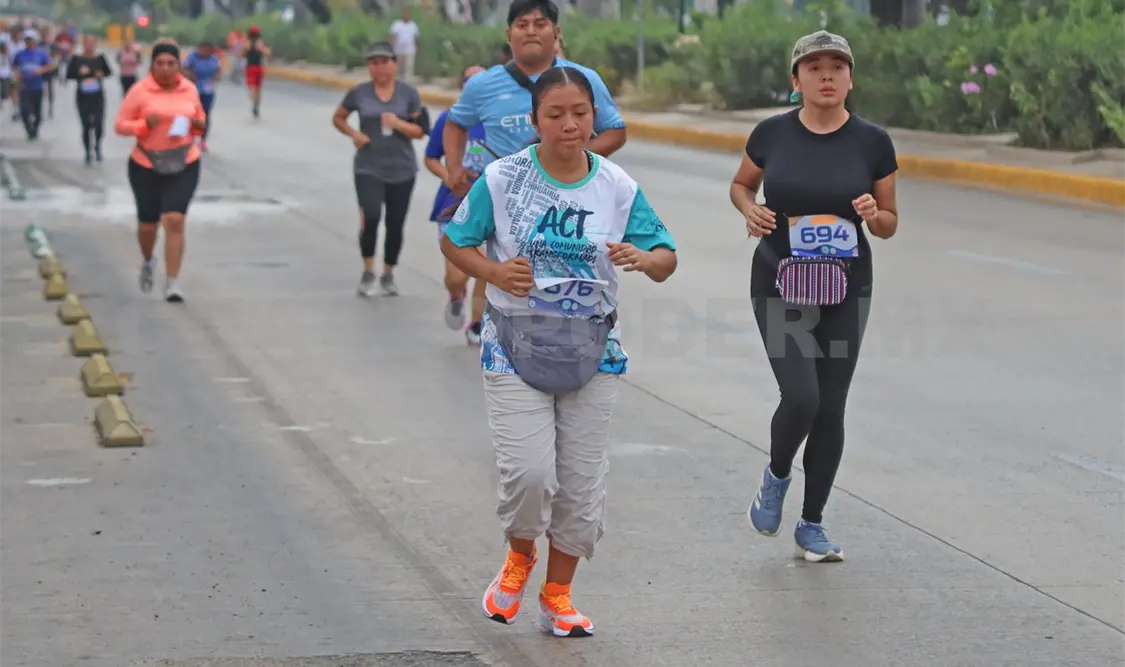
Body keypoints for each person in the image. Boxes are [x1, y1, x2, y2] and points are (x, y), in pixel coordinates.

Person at [441, 66, 677, 638]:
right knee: (529, 474)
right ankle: (520, 557)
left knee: (579, 483)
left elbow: (665, 255)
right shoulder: (503, 178)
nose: (570, 125)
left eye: (580, 113)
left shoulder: (616, 186)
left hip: (593, 349)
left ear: (594, 115)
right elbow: (455, 237)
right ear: (536, 120)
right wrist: (495, 271)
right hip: (514, 342)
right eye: (555, 115)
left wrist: (644, 260)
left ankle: (559, 594)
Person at [729, 30, 899, 563]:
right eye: (814, 67)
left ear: (850, 78)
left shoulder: (873, 142)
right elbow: (741, 185)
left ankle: (812, 524)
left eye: (837, 67)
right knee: (802, 397)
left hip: (846, 289)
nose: (827, 76)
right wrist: (748, 209)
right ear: (796, 79)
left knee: (831, 407)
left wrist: (876, 216)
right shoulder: (772, 134)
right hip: (780, 283)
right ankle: (777, 476)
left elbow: (891, 224)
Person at [444, 0, 626, 199]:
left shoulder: (584, 79)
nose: (531, 31)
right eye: (522, 25)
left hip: (570, 199)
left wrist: (572, 159)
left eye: (540, 24)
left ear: (556, 33)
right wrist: (454, 169)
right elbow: (455, 124)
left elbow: (615, 131)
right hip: (503, 198)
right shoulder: (482, 84)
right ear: (508, 35)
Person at [115, 41, 207, 304]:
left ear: (179, 65)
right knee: (148, 225)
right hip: (146, 164)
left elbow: (198, 122)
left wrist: (199, 126)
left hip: (184, 161)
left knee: (175, 220)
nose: (166, 69)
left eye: (171, 64)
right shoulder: (140, 91)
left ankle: (173, 283)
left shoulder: (189, 89)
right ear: (152, 65)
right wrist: (144, 125)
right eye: (160, 64)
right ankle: (147, 259)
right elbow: (120, 126)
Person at [332, 41, 426, 297]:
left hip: (402, 168)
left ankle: (388, 272)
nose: (380, 67)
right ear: (368, 67)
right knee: (371, 217)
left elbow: (420, 131)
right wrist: (354, 134)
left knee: (395, 223)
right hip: (368, 166)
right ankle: (368, 268)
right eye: (374, 62)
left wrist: (398, 124)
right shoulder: (359, 93)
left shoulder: (408, 93)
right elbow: (338, 117)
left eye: (385, 61)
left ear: (394, 64)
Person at [423, 64, 491, 344]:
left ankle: (476, 324)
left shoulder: (498, 121)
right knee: (457, 276)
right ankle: (455, 295)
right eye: (469, 82)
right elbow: (430, 158)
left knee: (486, 269)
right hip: (453, 206)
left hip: (490, 207)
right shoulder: (449, 120)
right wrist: (450, 176)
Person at [65, 35, 112, 165]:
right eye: (87, 44)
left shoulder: (100, 58)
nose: (90, 46)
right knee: (86, 124)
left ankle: (97, 146)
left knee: (98, 123)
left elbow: (108, 72)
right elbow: (69, 75)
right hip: (83, 96)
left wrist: (100, 74)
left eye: (92, 44)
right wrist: (80, 74)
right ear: (83, 45)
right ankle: (87, 151)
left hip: (97, 96)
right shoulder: (77, 59)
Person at [11, 30, 51, 140]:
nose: (29, 42)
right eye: (27, 40)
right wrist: (17, 75)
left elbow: (49, 66)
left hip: (37, 86)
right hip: (24, 86)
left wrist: (41, 70)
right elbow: (14, 67)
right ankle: (29, 129)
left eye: (31, 40)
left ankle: (35, 127)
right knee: (24, 111)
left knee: (37, 113)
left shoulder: (42, 53)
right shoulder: (20, 54)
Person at [183, 41, 222, 151]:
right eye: (202, 48)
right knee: (190, 114)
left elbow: (218, 72)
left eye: (207, 49)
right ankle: (188, 138)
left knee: (205, 115)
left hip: (208, 91)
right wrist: (190, 75)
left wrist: (216, 77)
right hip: (192, 91)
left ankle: (203, 140)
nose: (203, 51)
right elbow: (183, 68)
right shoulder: (192, 57)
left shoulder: (214, 59)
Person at [242, 25, 269, 118]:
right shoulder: (260, 43)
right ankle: (256, 103)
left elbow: (242, 54)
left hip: (251, 68)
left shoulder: (247, 43)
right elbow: (267, 53)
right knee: (258, 88)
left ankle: (254, 101)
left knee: (252, 87)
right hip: (259, 67)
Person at [388, 8, 419, 82]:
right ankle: (397, 82)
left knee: (408, 68)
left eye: (407, 14)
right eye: (404, 14)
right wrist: (390, 47)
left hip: (410, 50)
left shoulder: (413, 25)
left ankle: (407, 82)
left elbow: (416, 37)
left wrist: (417, 47)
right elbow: (392, 36)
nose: (405, 15)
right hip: (398, 50)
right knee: (398, 68)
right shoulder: (397, 24)